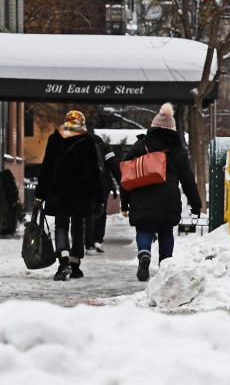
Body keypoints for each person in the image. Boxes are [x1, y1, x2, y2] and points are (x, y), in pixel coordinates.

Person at [120, 103, 202, 281]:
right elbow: (188, 180)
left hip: (142, 197)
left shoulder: (140, 145)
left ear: (153, 126)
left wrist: (125, 202)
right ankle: (165, 267)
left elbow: (125, 174)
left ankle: (144, 253)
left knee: (144, 227)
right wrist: (196, 204)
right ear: (173, 129)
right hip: (168, 200)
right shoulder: (178, 151)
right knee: (165, 231)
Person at [35, 110, 105, 280]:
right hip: (81, 193)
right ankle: (75, 265)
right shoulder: (87, 141)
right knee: (78, 226)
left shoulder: (54, 139)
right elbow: (95, 173)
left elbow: (46, 168)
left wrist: (40, 195)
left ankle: (63, 261)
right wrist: (98, 199)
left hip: (58, 192)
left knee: (61, 225)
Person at [85, 127, 121, 253]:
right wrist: (122, 182)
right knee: (100, 213)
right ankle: (98, 240)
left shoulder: (80, 145)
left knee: (86, 213)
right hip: (102, 185)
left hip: (84, 185)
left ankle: (87, 242)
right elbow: (114, 165)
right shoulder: (104, 147)